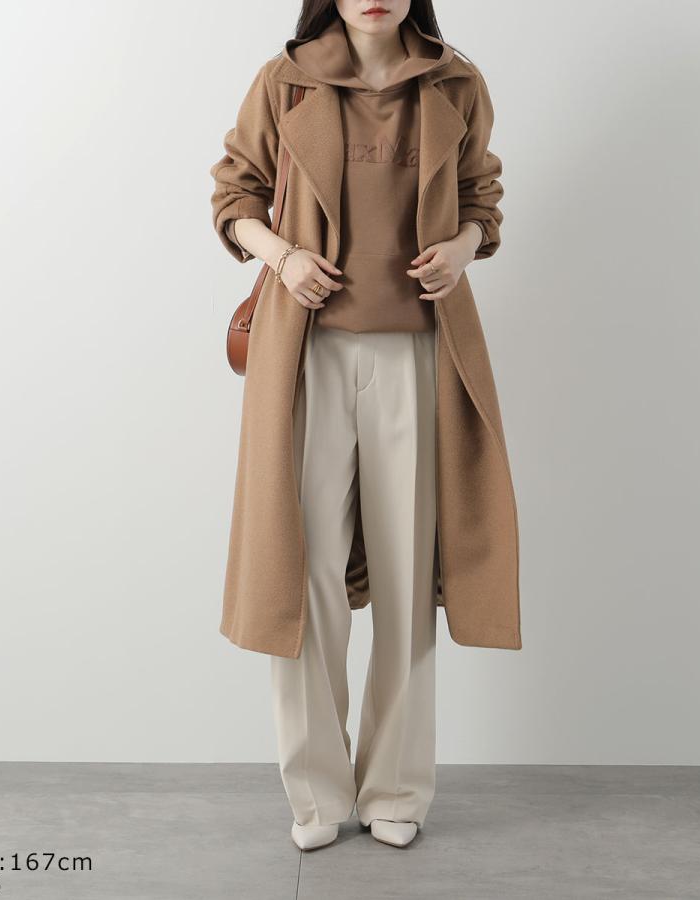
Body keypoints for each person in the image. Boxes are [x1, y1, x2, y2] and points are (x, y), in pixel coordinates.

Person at [210, 0, 522, 852]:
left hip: (418, 352)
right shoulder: (286, 81)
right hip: (306, 357)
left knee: (407, 575)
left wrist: (464, 246)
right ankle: (316, 795)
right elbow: (234, 194)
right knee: (304, 578)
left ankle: (396, 789)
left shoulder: (454, 82)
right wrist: (283, 257)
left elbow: (482, 197)